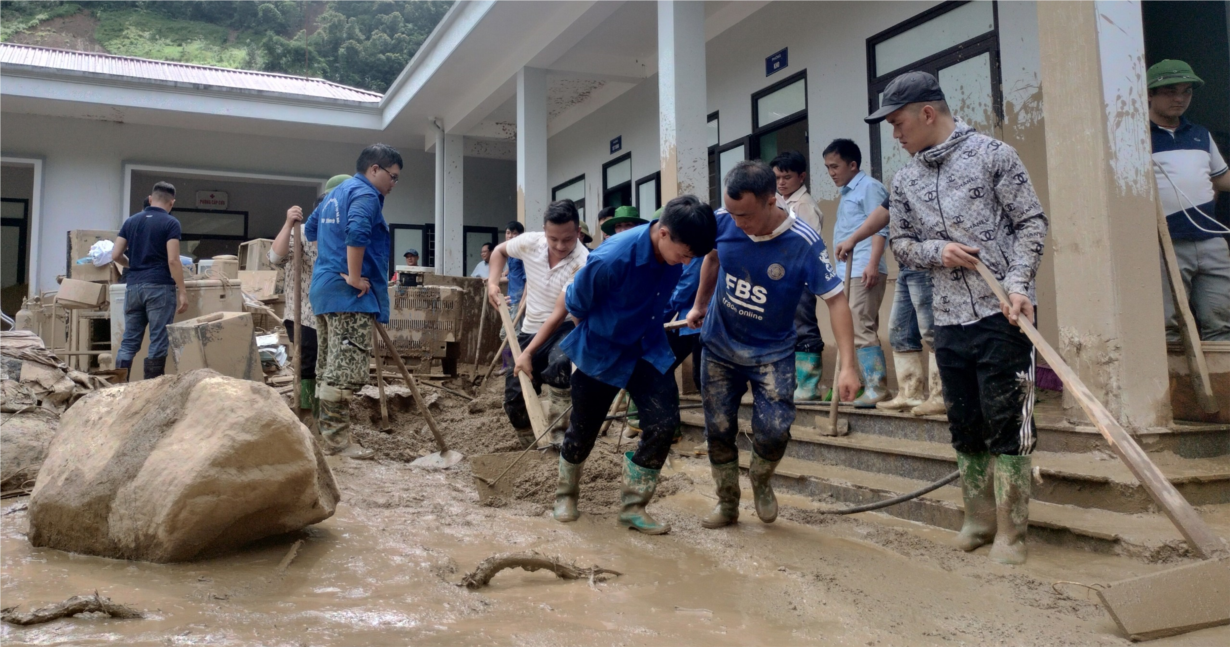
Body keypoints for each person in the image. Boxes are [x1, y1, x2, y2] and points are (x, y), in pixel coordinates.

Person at [866, 71, 1047, 565]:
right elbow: (901, 245)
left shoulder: (994, 156)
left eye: (898, 122)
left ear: (928, 113)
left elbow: (1031, 221)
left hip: (1003, 313)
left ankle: (1013, 531)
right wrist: (937, 251)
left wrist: (1018, 284)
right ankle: (978, 518)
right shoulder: (905, 180)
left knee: (1008, 421)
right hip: (947, 318)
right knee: (964, 420)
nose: (895, 134)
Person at [519, 195, 717, 533]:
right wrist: (604, 336)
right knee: (584, 429)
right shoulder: (611, 258)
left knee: (663, 424)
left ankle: (633, 506)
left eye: (692, 257)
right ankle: (566, 494)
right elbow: (575, 305)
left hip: (647, 348)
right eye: (685, 255)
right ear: (665, 233)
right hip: (601, 350)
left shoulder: (675, 254)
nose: (686, 262)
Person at [687, 160, 861, 529]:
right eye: (732, 214)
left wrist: (848, 364)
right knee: (718, 428)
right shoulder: (723, 220)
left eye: (745, 215)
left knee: (774, 429)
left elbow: (836, 301)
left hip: (773, 353)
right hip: (719, 346)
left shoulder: (803, 243)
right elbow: (712, 258)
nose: (737, 223)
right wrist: (700, 304)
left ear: (772, 199)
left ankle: (762, 480)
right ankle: (727, 502)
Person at [305, 143, 401, 459]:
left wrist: (333, 260)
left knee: (328, 366)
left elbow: (310, 229)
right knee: (345, 371)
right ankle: (336, 443)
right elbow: (358, 231)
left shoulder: (335, 193)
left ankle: (326, 437)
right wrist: (355, 275)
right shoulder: (365, 195)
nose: (393, 184)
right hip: (348, 295)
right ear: (375, 169)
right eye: (393, 176)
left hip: (323, 290)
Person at [486, 200, 589, 446]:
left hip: (562, 326)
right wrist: (492, 282)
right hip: (528, 328)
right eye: (554, 239)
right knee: (513, 397)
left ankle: (560, 433)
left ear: (578, 232)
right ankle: (531, 447)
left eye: (567, 239)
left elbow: (557, 314)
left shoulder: (584, 262)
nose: (560, 245)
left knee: (561, 365)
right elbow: (499, 251)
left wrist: (528, 353)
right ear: (544, 231)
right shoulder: (530, 242)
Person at [835, 198, 945, 416]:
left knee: (931, 330)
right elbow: (884, 212)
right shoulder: (904, 179)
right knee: (899, 331)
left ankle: (941, 395)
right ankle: (910, 394)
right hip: (905, 264)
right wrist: (853, 239)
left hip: (927, 262)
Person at [1148, 59, 1230, 342]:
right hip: (1165, 240)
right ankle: (1176, 386)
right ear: (1149, 94)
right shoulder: (1135, 135)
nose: (1180, 98)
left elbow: (1222, 179)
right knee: (1167, 326)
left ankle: (1220, 385)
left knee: (1220, 322)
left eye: (1186, 91)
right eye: (1170, 91)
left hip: (1211, 239)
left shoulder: (1200, 134)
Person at [269, 174, 350, 424]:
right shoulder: (302, 232)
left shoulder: (348, 234)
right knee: (308, 366)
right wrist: (287, 223)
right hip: (304, 313)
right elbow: (275, 259)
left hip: (338, 312)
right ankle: (307, 413)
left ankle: (328, 414)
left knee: (333, 366)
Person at [824, 139, 891, 408]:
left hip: (863, 267)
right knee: (853, 325)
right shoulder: (847, 193)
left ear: (853, 165)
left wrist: (873, 263)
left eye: (835, 166)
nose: (831, 172)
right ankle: (859, 382)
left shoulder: (870, 187)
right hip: (846, 270)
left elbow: (881, 226)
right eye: (828, 167)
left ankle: (877, 386)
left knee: (860, 326)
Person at [113, 181, 188, 380]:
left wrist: (133, 265)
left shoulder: (131, 221)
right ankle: (151, 391)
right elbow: (173, 260)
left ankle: (117, 388)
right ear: (171, 203)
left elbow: (115, 255)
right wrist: (182, 291)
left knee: (129, 341)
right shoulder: (171, 223)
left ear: (150, 199)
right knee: (158, 340)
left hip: (133, 287)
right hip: (159, 287)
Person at [770, 151, 827, 401]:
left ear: (801, 177)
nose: (781, 182)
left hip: (800, 277)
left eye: (787, 177)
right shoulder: (778, 202)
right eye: (777, 177)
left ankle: (809, 384)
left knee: (804, 327)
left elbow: (809, 244)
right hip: (781, 278)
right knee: (786, 329)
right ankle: (793, 383)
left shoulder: (804, 204)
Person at [498, 221, 527, 376]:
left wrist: (523, 300)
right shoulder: (511, 253)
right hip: (510, 298)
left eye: (514, 233)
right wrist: (495, 278)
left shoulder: (523, 254)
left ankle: (512, 367)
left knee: (512, 334)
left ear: (521, 235)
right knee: (506, 334)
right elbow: (511, 274)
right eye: (508, 233)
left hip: (518, 300)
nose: (510, 236)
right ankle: (508, 366)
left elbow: (529, 278)